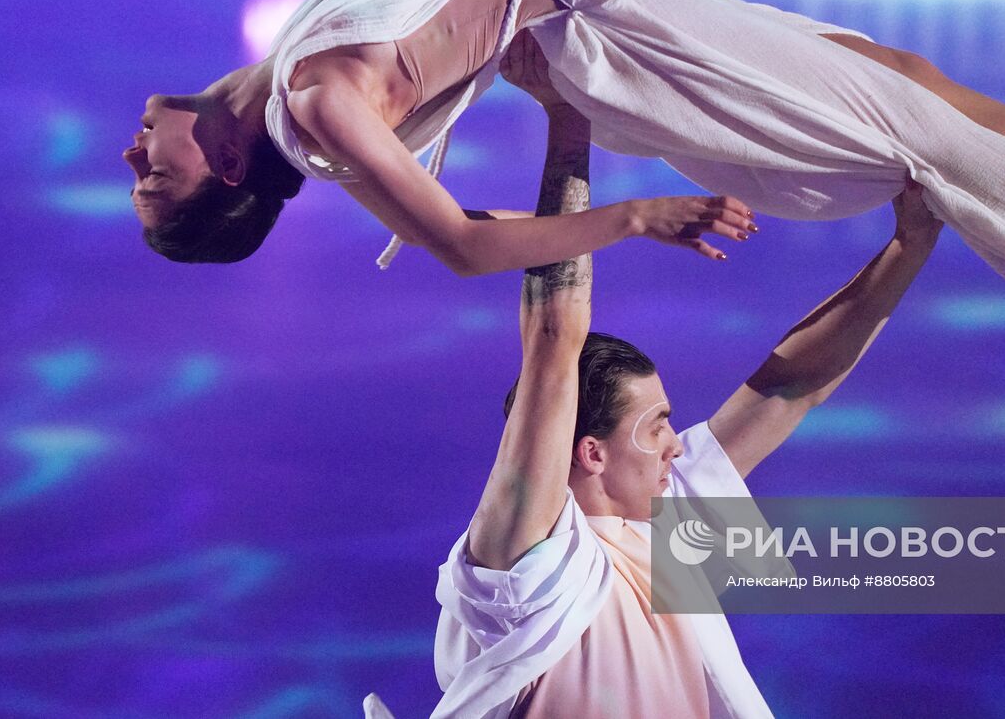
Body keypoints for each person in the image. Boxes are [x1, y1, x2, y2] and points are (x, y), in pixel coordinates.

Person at [122, 0, 1005, 327]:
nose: (132, 157)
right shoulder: (316, 108)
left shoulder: (265, 88)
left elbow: (226, 125)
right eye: (150, 184)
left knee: (890, 68)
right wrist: (634, 215)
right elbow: (460, 245)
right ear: (222, 171)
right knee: (898, 124)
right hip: (620, 45)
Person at [351, 64, 944, 718]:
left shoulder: (663, 528)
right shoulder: (525, 562)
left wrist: (910, 245)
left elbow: (789, 387)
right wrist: (568, 114)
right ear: (591, 451)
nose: (675, 446)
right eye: (657, 424)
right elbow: (553, 336)